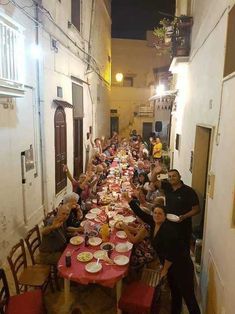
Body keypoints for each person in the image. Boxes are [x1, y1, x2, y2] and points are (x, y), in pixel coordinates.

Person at [124, 195, 201, 314]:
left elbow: (171, 254)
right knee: (175, 292)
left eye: (160, 213)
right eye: (155, 212)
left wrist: (164, 270)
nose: (156, 215)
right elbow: (140, 213)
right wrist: (129, 200)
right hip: (170, 265)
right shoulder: (154, 222)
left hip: (182, 265)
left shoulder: (168, 230)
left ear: (165, 216)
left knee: (189, 297)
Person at [155, 168, 200, 251]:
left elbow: (196, 209)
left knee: (183, 250)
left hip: (183, 226)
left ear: (180, 177)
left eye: (174, 176)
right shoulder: (167, 187)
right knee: (169, 248)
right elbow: (154, 181)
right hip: (168, 223)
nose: (171, 178)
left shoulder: (189, 191)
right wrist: (155, 172)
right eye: (169, 176)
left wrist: (184, 216)